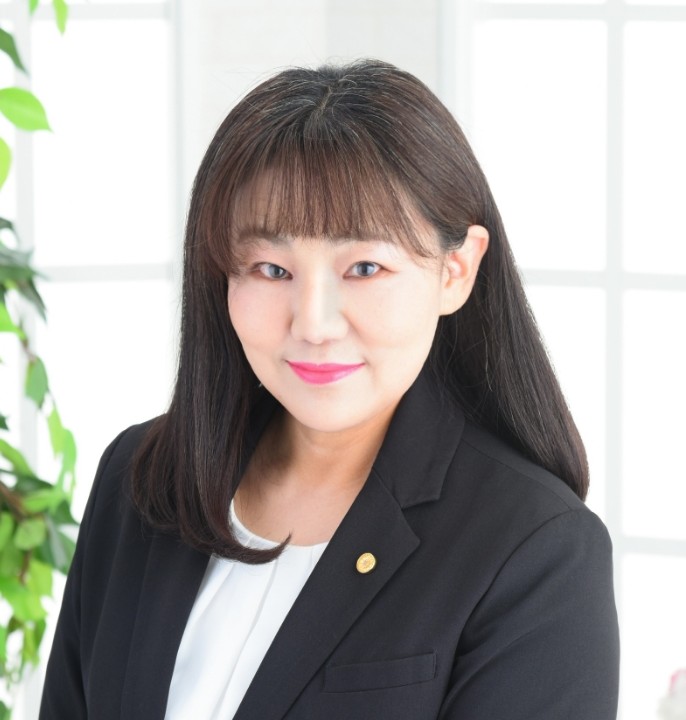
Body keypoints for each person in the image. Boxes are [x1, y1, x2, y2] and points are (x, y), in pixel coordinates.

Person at [39, 59, 620, 720]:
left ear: (455, 270)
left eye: (364, 267)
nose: (313, 324)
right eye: (271, 269)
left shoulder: (536, 552)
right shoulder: (143, 478)